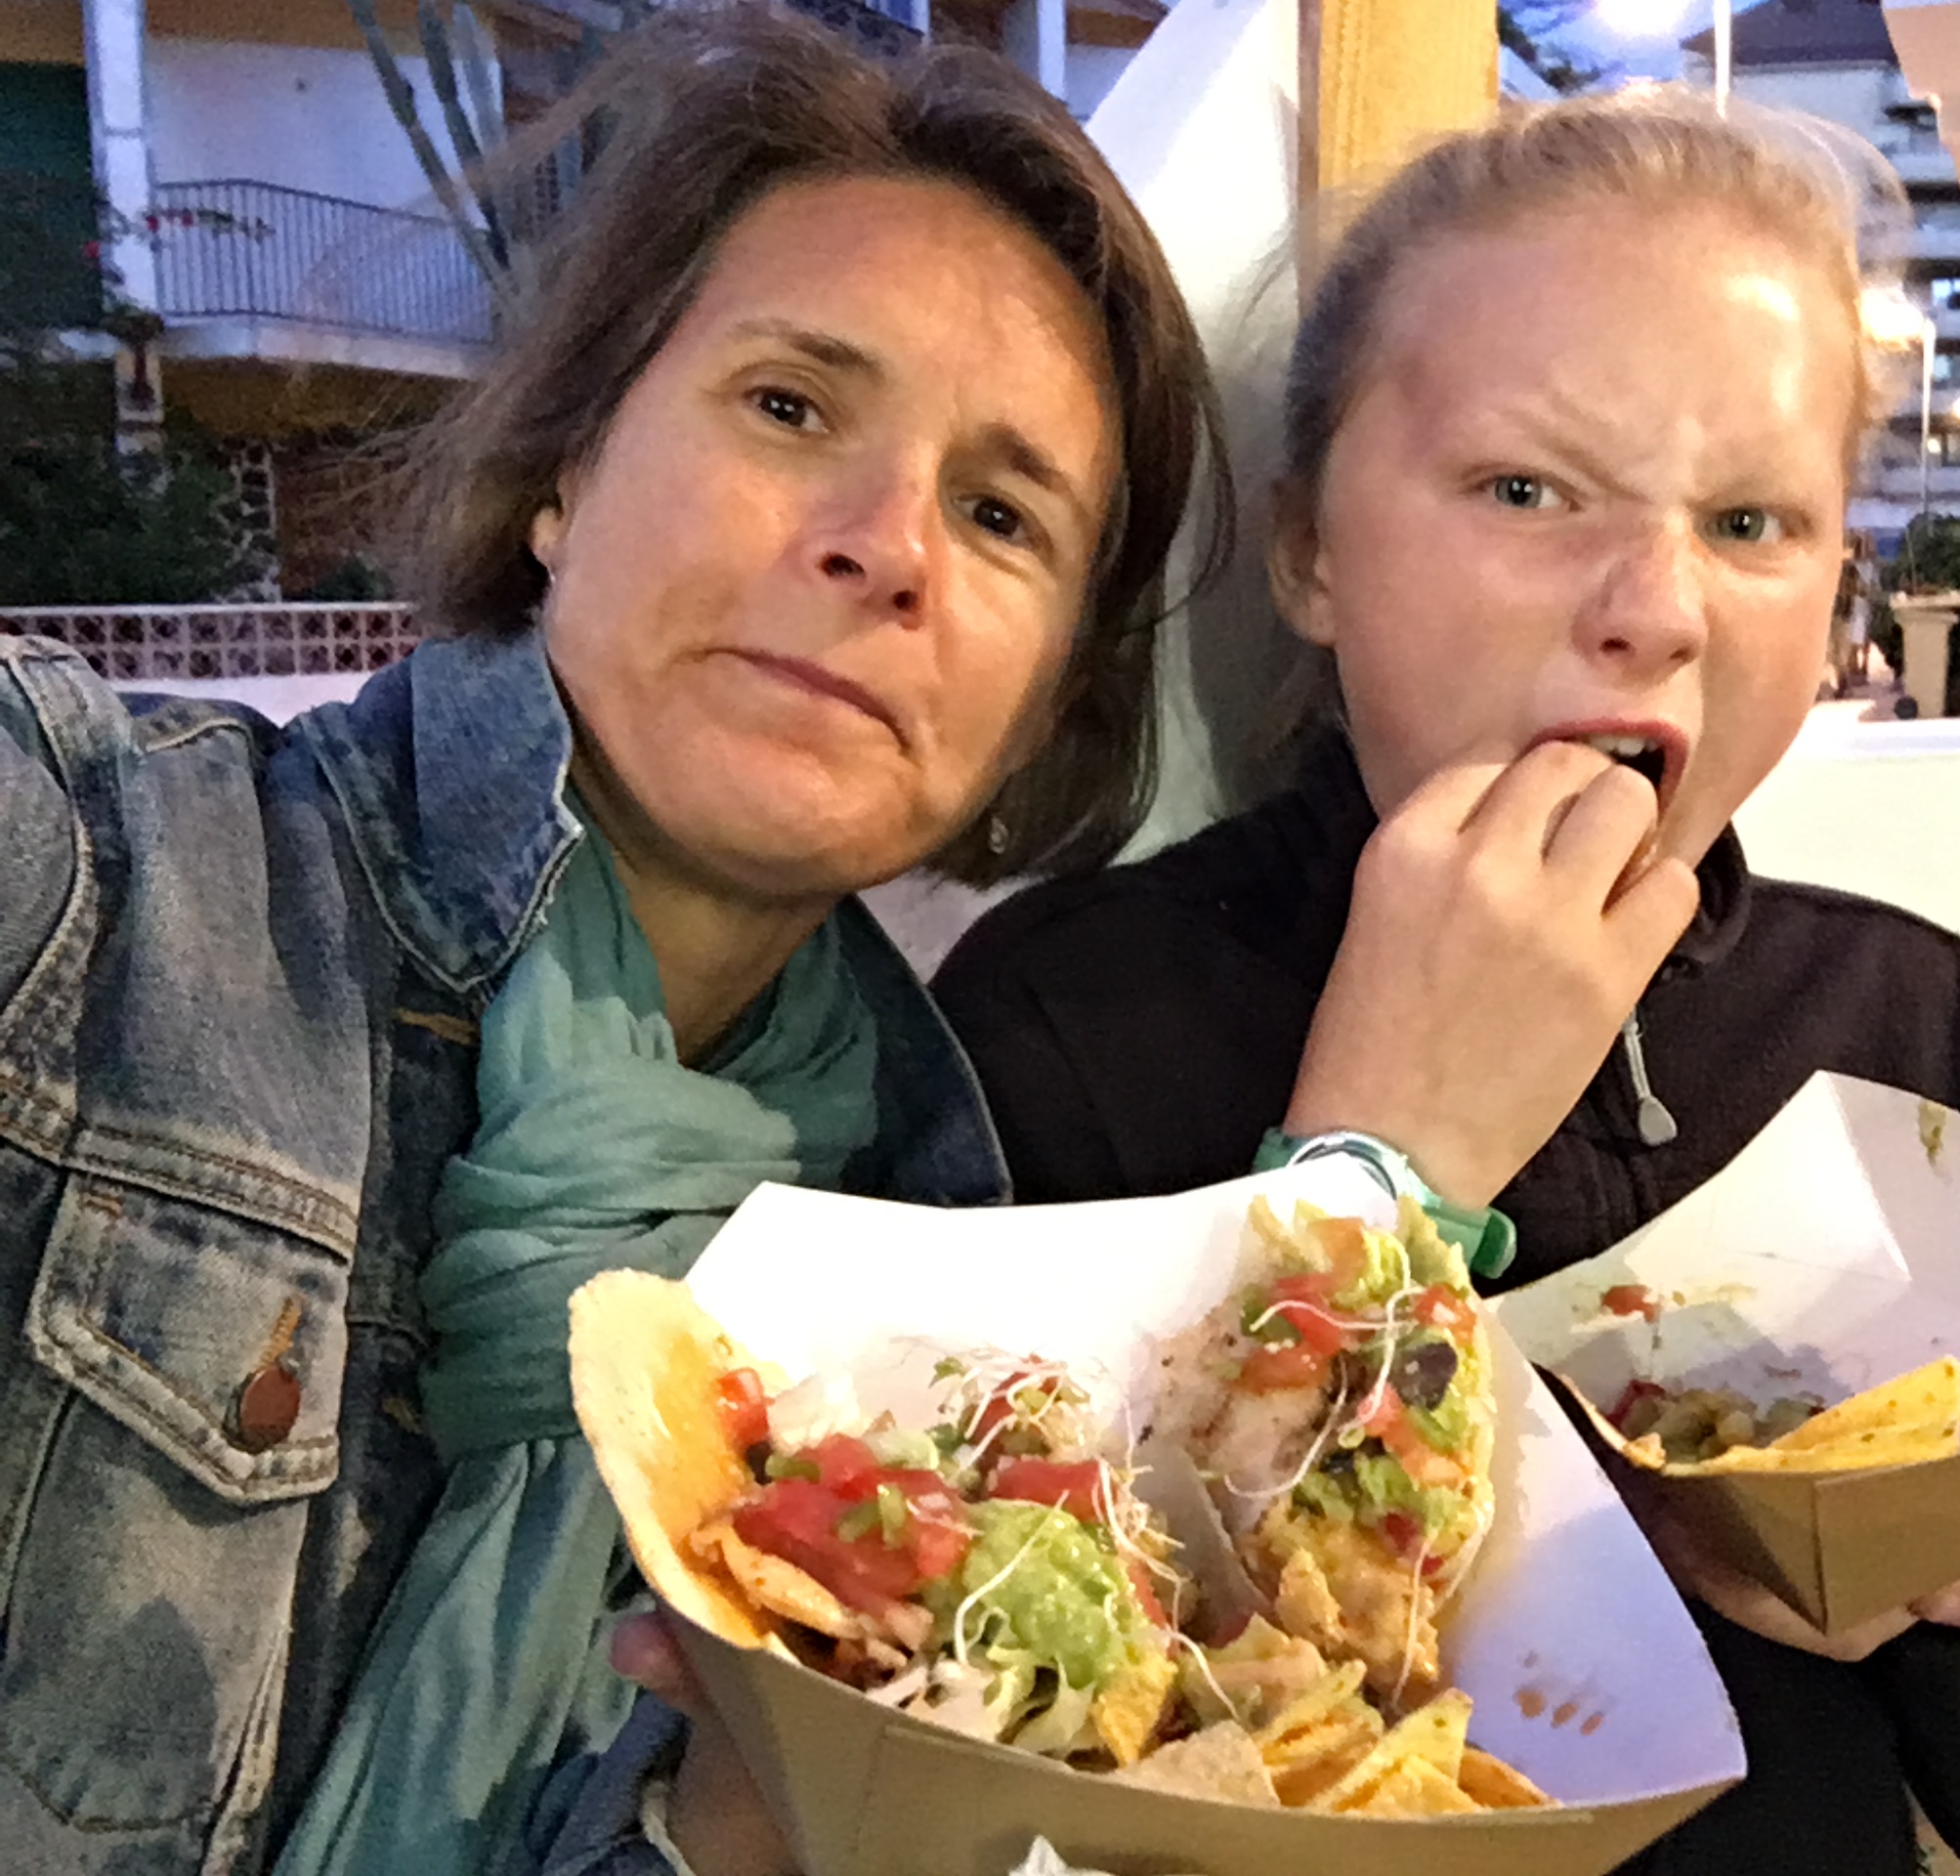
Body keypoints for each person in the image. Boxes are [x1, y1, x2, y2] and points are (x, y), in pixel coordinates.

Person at [932, 86, 1960, 1876]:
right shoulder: (1065, 1027)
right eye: (1527, 489)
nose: (1658, 607)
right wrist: (1373, 1176)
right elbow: (1003, 1766)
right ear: (1308, 552)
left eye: (1752, 522)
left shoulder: (1916, 1032)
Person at [0, 11, 1223, 1874]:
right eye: (791, 406)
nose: (889, 544)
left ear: (1049, 699)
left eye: (1000, 514)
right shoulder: (104, 887)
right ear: (566, 470)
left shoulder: (938, 1328)